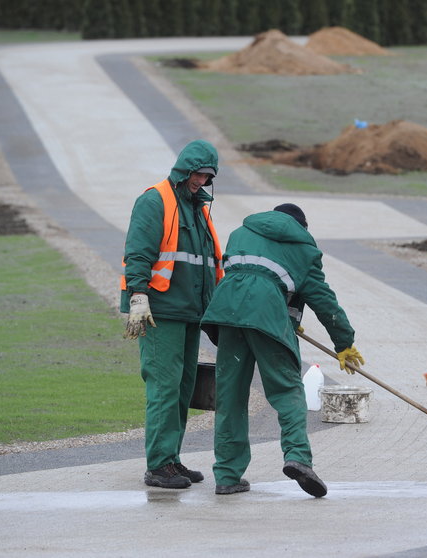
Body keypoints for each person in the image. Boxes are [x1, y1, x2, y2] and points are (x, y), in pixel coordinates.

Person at [201, 203, 364, 498]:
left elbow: (253, 276)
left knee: (230, 396)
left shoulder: (241, 233)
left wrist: (286, 318)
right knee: (287, 390)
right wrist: (344, 342)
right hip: (265, 315)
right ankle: (298, 457)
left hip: (227, 312)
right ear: (301, 227)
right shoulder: (304, 248)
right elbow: (321, 299)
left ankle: (226, 475)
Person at [121, 140, 224, 489]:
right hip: (159, 312)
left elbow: (207, 264)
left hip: (189, 313)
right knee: (164, 387)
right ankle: (158, 465)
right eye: (197, 174)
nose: (201, 181)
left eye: (207, 177)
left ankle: (171, 458)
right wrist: (138, 295)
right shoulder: (155, 201)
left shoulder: (197, 208)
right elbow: (138, 252)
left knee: (183, 388)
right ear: (184, 170)